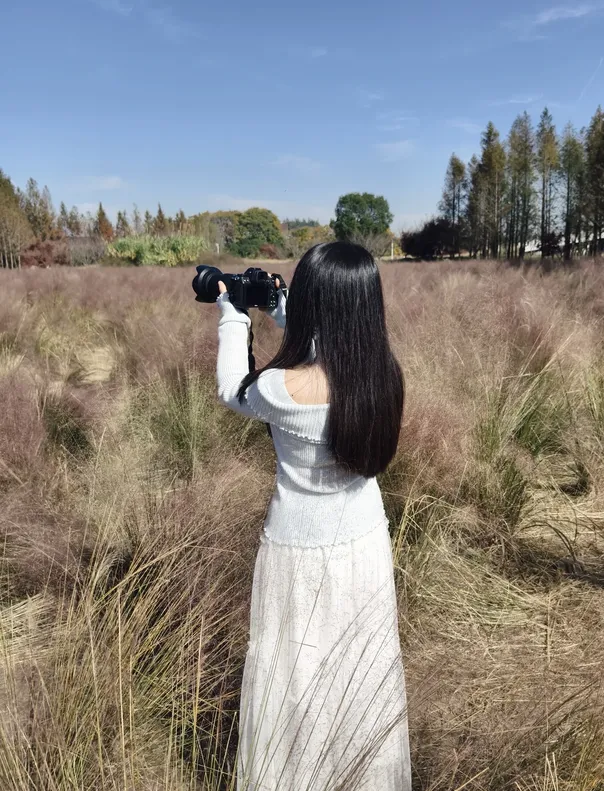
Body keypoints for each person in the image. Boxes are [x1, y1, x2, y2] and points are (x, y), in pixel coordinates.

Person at [215, 241, 411, 790]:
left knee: (296, 670)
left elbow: (234, 389)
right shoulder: (383, 377)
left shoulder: (281, 389)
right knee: (361, 669)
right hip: (365, 541)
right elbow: (329, 349)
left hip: (299, 550)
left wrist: (232, 316)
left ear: (315, 303)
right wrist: (281, 311)